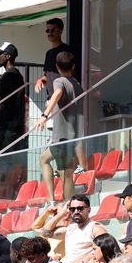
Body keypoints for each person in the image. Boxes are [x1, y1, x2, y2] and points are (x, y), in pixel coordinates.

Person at [33, 51, 84, 202]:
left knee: (63, 171)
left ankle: (56, 201)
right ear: (73, 66)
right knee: (61, 169)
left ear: (57, 66)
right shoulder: (77, 84)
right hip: (73, 134)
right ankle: (66, 203)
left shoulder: (59, 81)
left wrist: (44, 116)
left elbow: (58, 93)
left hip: (62, 135)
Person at [0, 42, 27, 151]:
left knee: (5, 164)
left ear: (8, 56)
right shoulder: (17, 75)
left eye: (0, 54)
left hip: (6, 130)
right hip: (15, 128)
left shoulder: (9, 75)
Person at [35, 18, 77, 94]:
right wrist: (40, 80)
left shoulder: (67, 51)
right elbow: (46, 75)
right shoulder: (48, 53)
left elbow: (72, 74)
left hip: (64, 96)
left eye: (53, 30)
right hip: (51, 96)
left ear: (60, 31)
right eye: (47, 30)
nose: (50, 33)